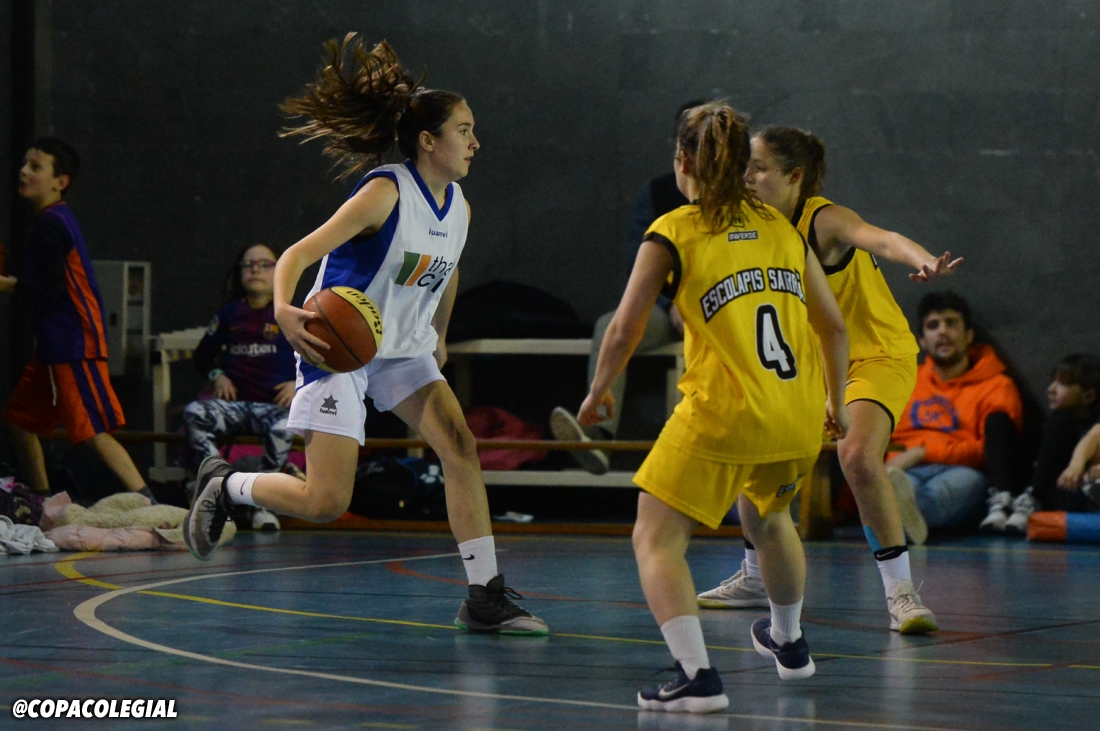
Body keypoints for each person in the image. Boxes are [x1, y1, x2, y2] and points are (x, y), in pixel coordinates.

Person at [182, 36, 546, 635]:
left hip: (401, 350)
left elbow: (448, 271)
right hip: (339, 349)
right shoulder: (385, 191)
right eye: (464, 130)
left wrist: (439, 333)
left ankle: (485, 596)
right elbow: (296, 255)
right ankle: (227, 483)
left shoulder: (459, 206)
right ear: (427, 141)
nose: (475, 142)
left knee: (460, 447)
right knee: (326, 503)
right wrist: (283, 310)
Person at [577, 101, 851, 712]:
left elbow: (623, 329)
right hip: (796, 412)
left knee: (655, 539)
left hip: (725, 412)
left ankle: (697, 676)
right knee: (771, 519)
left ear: (683, 161)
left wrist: (599, 391)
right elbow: (832, 326)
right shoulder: (782, 226)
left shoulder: (674, 229)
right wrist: (838, 402)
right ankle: (789, 643)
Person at [697, 126, 955, 633]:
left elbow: (880, 238)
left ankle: (901, 592)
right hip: (812, 363)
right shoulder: (751, 224)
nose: (747, 177)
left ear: (794, 176)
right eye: (745, 168)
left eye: (759, 168)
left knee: (855, 454)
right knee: (755, 452)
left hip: (875, 355)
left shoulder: (823, 219)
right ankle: (755, 577)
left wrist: (922, 258)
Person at [550, 102, 703, 474]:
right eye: (691, 139)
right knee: (612, 326)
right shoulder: (659, 194)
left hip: (725, 312)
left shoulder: (743, 198)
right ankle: (599, 435)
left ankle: (696, 454)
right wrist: (672, 300)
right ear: (679, 148)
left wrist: (692, 300)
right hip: (667, 309)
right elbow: (643, 262)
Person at [0, 138, 155, 503]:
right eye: (24, 163)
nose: (23, 171)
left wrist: (7, 284)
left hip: (74, 344)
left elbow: (49, 290)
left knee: (92, 430)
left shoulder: (52, 224)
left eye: (36, 166)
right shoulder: (48, 221)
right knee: (19, 421)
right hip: (53, 346)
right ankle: (41, 501)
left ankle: (151, 503)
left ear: (60, 182)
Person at [886, 292, 1024, 537]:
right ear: (922, 341)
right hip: (903, 471)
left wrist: (923, 453)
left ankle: (892, 521)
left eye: (951, 323)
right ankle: (899, 520)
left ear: (969, 335)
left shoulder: (996, 385)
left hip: (962, 471)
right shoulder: (905, 381)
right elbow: (874, 439)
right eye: (933, 326)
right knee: (891, 488)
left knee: (934, 497)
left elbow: (995, 451)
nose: (942, 332)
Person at [182, 243, 299, 531]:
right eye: (248, 265)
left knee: (285, 425)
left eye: (264, 264)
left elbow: (318, 359)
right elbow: (202, 356)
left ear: (279, 270)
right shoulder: (229, 314)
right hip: (234, 408)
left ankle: (261, 505)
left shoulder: (291, 314)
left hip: (272, 410)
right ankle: (220, 489)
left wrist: (299, 384)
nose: (255, 270)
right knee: (194, 412)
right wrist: (217, 375)